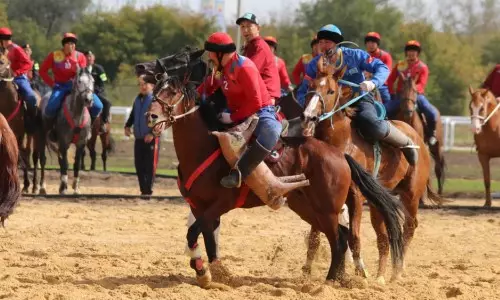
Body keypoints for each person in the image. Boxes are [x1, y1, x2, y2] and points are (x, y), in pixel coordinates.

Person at [296, 24, 418, 165]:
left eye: (327, 42)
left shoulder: (354, 55)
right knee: (299, 128)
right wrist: (307, 106)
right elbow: (303, 90)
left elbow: (382, 67)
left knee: (371, 123)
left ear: (337, 43)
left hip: (359, 98)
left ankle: (406, 143)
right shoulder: (314, 64)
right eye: (321, 42)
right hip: (327, 106)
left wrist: (373, 82)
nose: (323, 46)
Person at [197, 32, 282, 190]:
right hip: (235, 112)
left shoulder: (244, 67)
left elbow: (256, 102)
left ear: (220, 53)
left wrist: (232, 117)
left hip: (260, 112)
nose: (209, 56)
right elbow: (213, 82)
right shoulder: (222, 69)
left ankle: (239, 173)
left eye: (211, 52)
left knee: (271, 132)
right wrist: (195, 94)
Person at [39, 33, 103, 141]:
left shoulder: (80, 56)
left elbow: (83, 74)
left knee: (98, 106)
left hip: (78, 87)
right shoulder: (55, 55)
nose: (72, 46)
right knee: (50, 108)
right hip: (60, 86)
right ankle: (53, 131)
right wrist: (52, 84)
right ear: (64, 45)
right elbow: (42, 71)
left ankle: (88, 128)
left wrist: (77, 69)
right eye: (69, 43)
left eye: (73, 43)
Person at [386, 40, 438, 145]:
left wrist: (411, 90)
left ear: (417, 53)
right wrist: (392, 92)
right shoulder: (400, 65)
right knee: (384, 109)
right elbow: (390, 80)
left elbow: (422, 84)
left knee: (432, 113)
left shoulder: (422, 67)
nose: (411, 53)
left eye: (414, 50)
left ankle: (432, 134)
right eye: (409, 50)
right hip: (401, 96)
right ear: (406, 52)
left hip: (417, 96)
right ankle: (384, 133)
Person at [124, 75, 160, 198]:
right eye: (140, 84)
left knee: (149, 166)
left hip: (151, 139)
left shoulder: (155, 100)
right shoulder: (137, 100)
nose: (143, 86)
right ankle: (143, 191)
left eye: (145, 84)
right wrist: (127, 126)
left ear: (152, 86)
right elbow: (133, 115)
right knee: (139, 165)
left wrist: (152, 133)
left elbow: (158, 120)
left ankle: (148, 191)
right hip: (139, 138)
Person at [236, 13, 281, 103]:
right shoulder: (250, 46)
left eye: (249, 26)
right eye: (242, 26)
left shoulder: (259, 47)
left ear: (258, 28)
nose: (245, 30)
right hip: (256, 94)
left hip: (265, 98)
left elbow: (248, 73)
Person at [0, 28, 38, 119]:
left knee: (31, 97)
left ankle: (31, 120)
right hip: (1, 78)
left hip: (18, 78)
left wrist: (17, 73)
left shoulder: (16, 49)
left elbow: (28, 63)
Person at [84, 50, 110, 134]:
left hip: (96, 92)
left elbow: (104, 80)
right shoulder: (81, 69)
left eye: (91, 56)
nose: (89, 58)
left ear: (94, 58)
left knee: (107, 102)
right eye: (87, 56)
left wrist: (99, 90)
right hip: (83, 92)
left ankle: (103, 122)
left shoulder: (98, 68)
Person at [364, 32, 392, 104]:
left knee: (387, 100)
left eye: (373, 42)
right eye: (368, 42)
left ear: (377, 44)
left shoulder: (386, 56)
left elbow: (387, 71)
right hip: (364, 82)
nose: (370, 45)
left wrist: (371, 75)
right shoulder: (362, 55)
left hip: (381, 84)